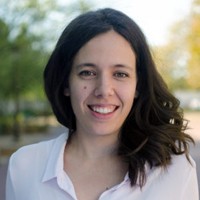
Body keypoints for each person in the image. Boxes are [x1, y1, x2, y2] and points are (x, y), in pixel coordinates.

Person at [6, 8, 199, 200]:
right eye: (87, 72)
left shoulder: (176, 170)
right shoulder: (24, 166)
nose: (104, 90)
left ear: (137, 86)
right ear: (66, 83)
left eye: (120, 74)